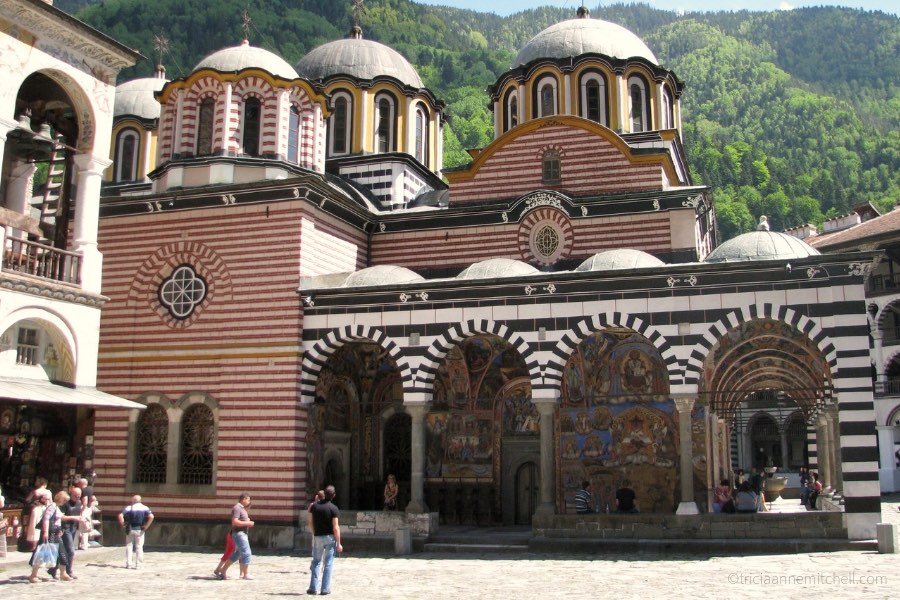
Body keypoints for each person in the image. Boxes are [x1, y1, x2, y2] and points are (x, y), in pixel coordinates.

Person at [307, 485, 343, 596]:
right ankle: (325, 588)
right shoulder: (333, 508)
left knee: (316, 562)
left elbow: (310, 522)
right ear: (334, 495)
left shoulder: (314, 507)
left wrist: (314, 533)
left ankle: (313, 587)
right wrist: (339, 543)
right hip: (330, 538)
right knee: (328, 563)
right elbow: (336, 527)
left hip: (318, 536)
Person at [31, 490, 71, 582]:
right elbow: (46, 519)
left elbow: (61, 518)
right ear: (61, 499)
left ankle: (63, 573)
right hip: (49, 534)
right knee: (42, 553)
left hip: (55, 533)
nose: (65, 503)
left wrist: (77, 518)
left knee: (62, 553)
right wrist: (45, 532)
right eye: (64, 500)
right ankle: (33, 575)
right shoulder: (52, 507)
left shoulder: (56, 507)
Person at [219, 493, 254, 580]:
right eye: (248, 500)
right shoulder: (237, 508)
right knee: (246, 552)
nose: (249, 502)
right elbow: (235, 521)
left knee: (238, 554)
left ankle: (223, 570)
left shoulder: (241, 509)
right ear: (244, 499)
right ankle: (246, 574)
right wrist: (248, 523)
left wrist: (246, 521)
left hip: (242, 533)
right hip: (239, 534)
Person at [118, 495, 154, 569]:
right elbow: (151, 516)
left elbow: (120, 516)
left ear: (133, 500)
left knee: (129, 546)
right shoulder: (145, 508)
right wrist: (146, 526)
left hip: (130, 529)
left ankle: (129, 564)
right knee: (139, 547)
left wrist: (123, 525)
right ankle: (139, 564)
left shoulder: (129, 508)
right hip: (140, 529)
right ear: (140, 500)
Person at [58, 486, 83, 580]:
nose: (77, 497)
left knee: (65, 550)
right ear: (71, 494)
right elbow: (61, 517)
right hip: (65, 528)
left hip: (73, 528)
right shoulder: (66, 503)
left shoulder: (79, 503)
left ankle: (54, 569)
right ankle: (69, 571)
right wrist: (74, 518)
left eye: (79, 495)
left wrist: (81, 521)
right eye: (76, 495)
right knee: (71, 550)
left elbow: (78, 514)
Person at [25, 477, 50, 551]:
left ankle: (34, 546)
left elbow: (27, 500)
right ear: (45, 484)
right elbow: (50, 503)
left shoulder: (35, 491)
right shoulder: (48, 492)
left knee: (35, 527)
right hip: (45, 510)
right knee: (45, 526)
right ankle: (43, 543)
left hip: (37, 509)